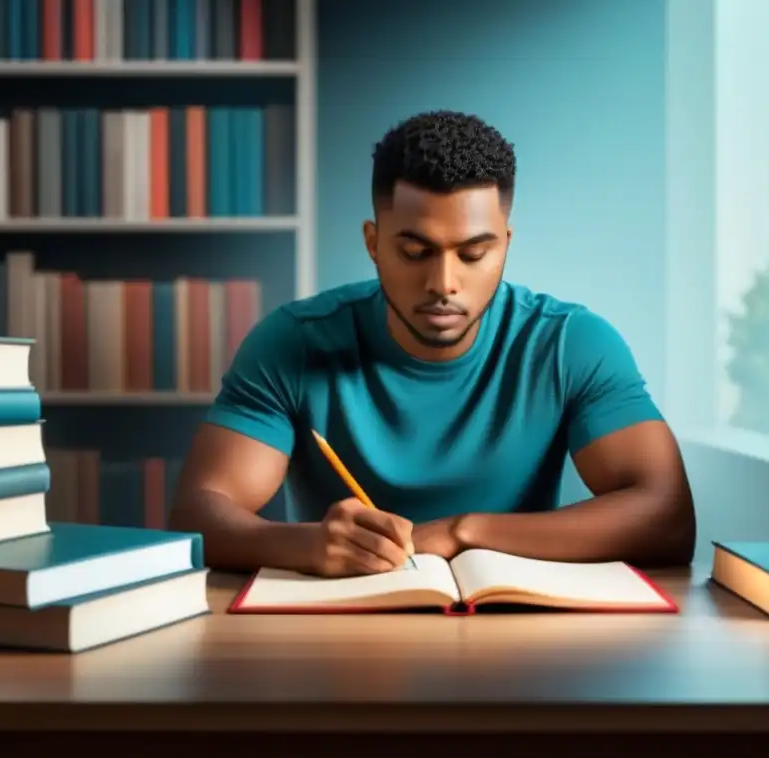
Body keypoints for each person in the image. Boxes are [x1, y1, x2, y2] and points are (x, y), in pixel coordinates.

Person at [169, 110, 696, 577]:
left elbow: (667, 515)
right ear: (374, 243)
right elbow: (197, 513)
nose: (444, 282)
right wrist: (304, 544)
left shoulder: (570, 343)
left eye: (473, 254)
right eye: (416, 251)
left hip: (522, 640)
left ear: (505, 245)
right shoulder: (293, 342)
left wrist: (462, 531)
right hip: (337, 639)